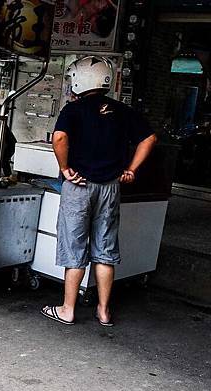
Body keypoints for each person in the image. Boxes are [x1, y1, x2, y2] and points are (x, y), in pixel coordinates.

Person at [41, 56, 157, 327]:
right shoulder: (122, 110)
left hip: (79, 186)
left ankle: (68, 309)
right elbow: (149, 138)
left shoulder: (73, 109)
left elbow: (59, 138)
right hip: (110, 188)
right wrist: (131, 169)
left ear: (79, 80)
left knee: (75, 248)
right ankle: (104, 311)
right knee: (104, 250)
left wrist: (65, 167)